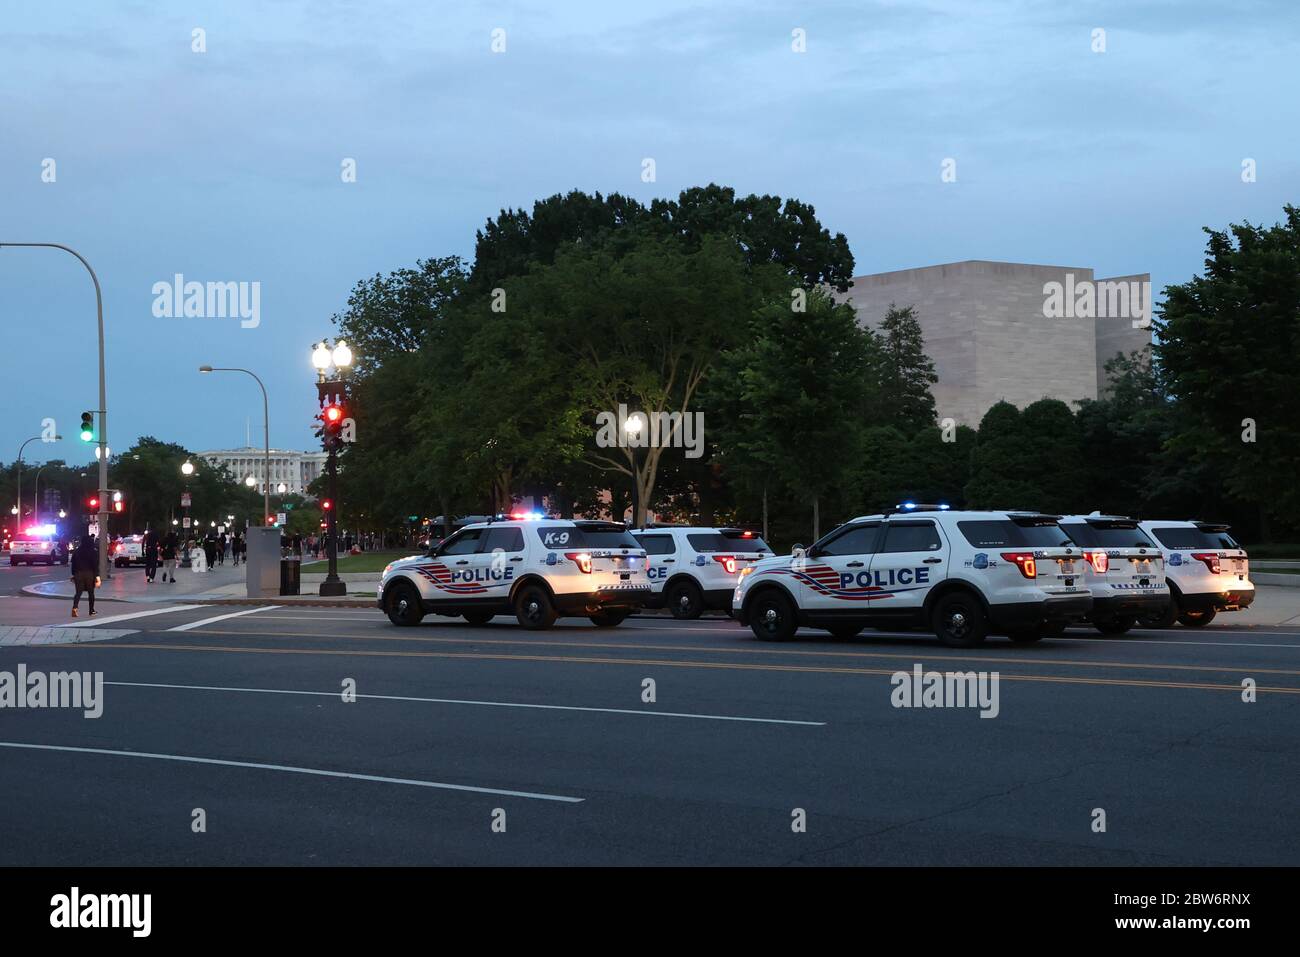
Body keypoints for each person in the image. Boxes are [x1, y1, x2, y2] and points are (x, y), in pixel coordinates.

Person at [70, 537, 99, 618]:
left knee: (78, 592)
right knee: (91, 593)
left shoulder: (77, 551)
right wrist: (97, 576)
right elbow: (95, 565)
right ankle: (91, 610)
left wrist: (73, 574)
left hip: (78, 574)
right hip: (89, 574)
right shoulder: (93, 551)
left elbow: (73, 564)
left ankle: (75, 608)